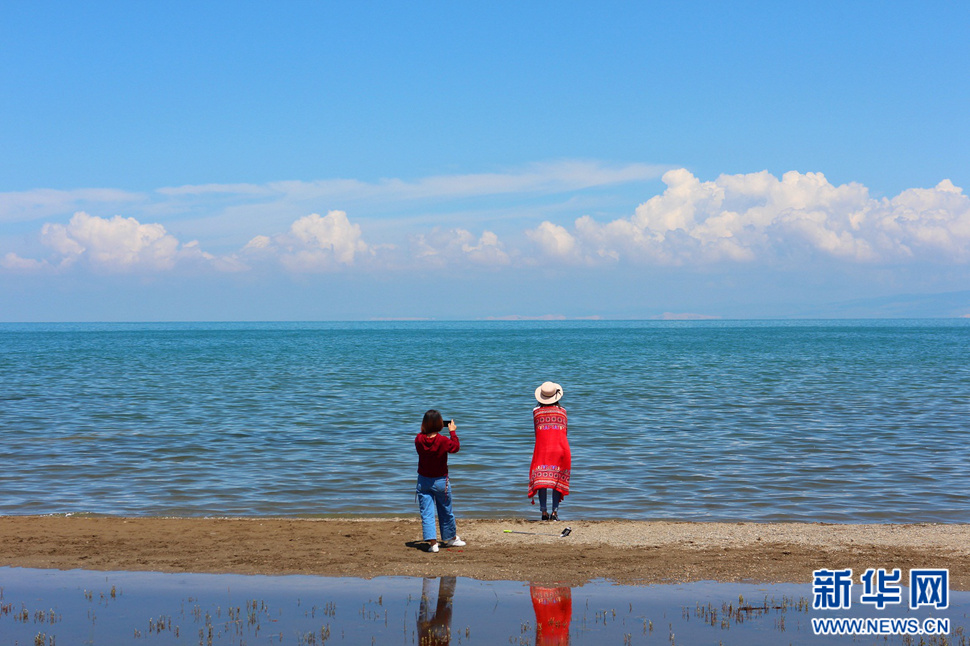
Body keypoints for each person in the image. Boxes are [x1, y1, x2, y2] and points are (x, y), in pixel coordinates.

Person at [415, 409, 466, 553]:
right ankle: (451, 538)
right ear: (439, 424)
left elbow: (424, 440)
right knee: (446, 510)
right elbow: (455, 447)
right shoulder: (443, 440)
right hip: (441, 481)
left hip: (423, 480)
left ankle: (433, 544)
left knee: (427, 513)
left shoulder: (419, 439)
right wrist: (453, 432)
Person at [528, 381, 571, 521]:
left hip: (542, 448)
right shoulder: (563, 411)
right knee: (557, 480)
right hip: (561, 448)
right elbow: (565, 432)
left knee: (542, 479)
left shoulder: (535, 412)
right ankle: (555, 512)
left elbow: (536, 431)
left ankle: (544, 512)